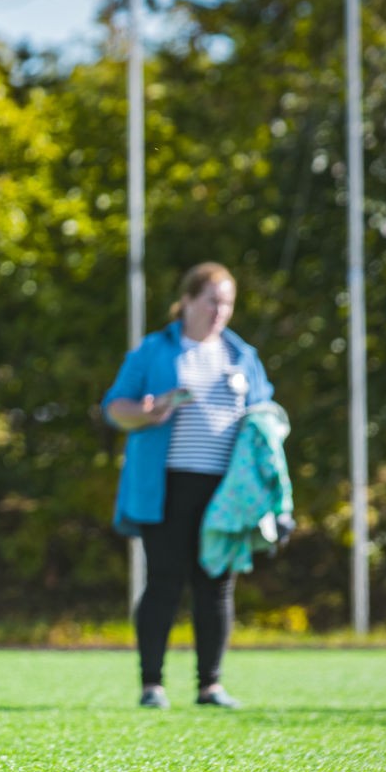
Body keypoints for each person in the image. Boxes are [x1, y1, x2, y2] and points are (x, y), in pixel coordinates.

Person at [102, 262, 272, 711]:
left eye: (227, 303)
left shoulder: (242, 355)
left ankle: (209, 685)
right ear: (189, 300)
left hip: (226, 491)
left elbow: (267, 415)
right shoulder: (154, 349)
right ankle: (152, 685)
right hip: (166, 487)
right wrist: (147, 411)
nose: (220, 311)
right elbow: (114, 408)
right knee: (165, 580)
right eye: (212, 300)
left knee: (216, 583)